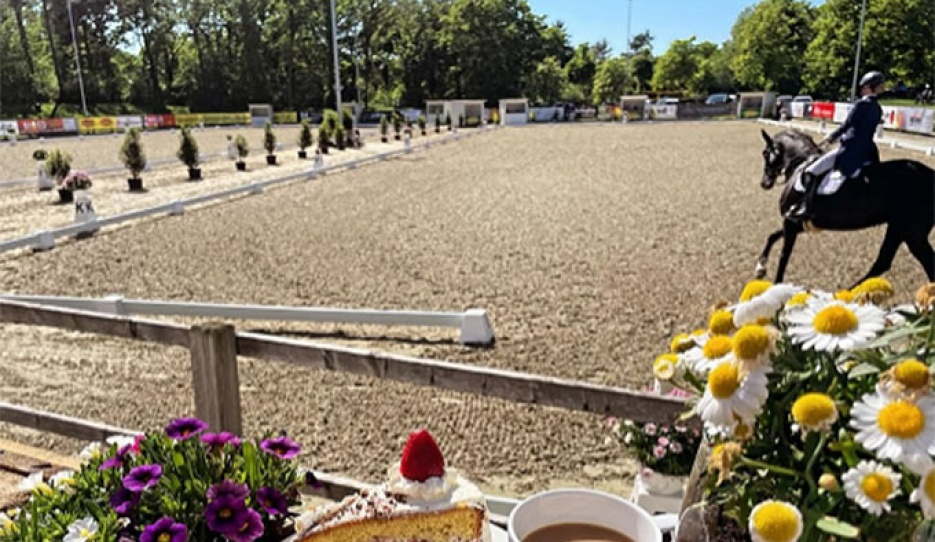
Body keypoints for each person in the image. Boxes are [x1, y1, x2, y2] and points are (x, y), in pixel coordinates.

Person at [785, 71, 885, 222]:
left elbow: (847, 125)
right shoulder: (877, 108)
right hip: (867, 151)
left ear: (868, 88)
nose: (862, 90)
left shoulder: (860, 105)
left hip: (849, 151)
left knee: (811, 172)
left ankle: (806, 207)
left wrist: (831, 137)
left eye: (864, 87)